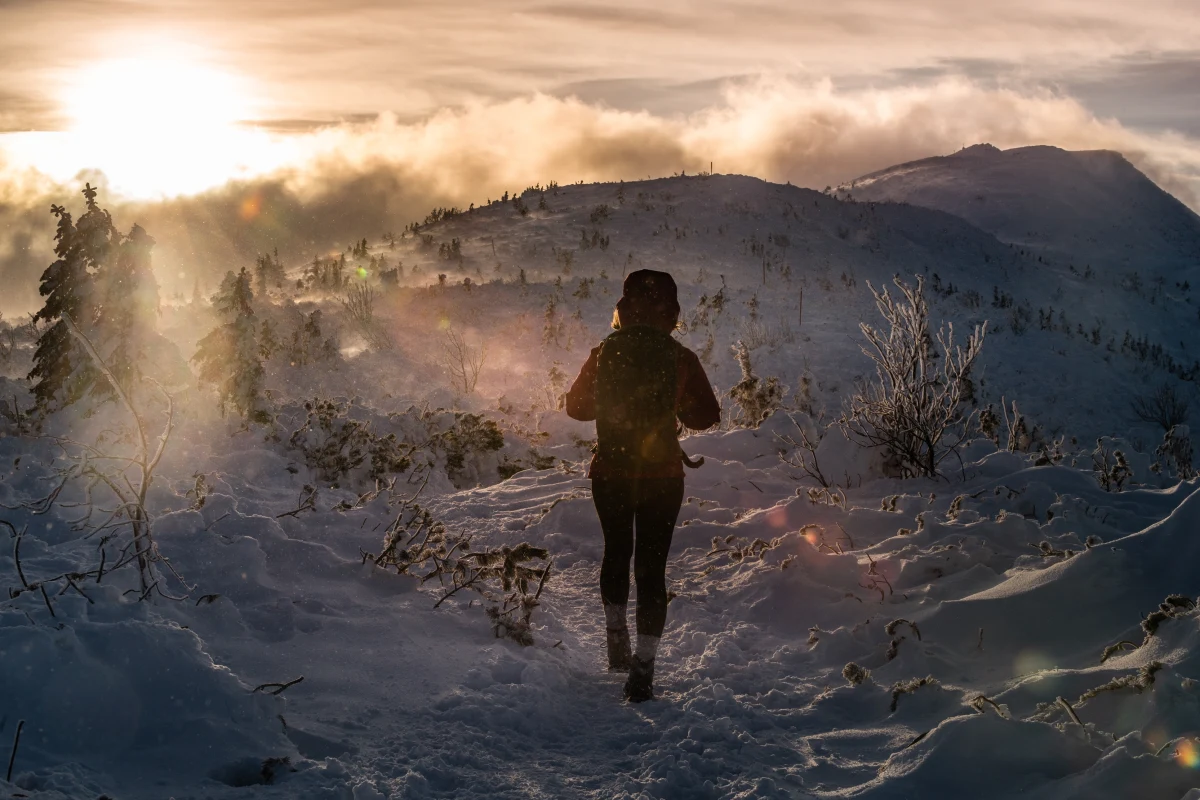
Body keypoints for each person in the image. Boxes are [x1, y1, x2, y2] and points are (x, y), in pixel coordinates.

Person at [565, 269, 721, 702]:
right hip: (662, 477)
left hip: (610, 473)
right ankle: (644, 669)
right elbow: (706, 416)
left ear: (624, 308)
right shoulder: (681, 358)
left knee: (616, 553)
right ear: (670, 313)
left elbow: (576, 409)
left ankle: (617, 644)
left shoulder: (603, 353)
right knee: (652, 572)